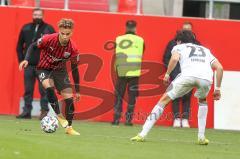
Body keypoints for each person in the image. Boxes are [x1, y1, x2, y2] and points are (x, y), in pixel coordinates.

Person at [131, 30, 223, 145]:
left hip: (186, 77)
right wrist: (217, 89)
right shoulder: (205, 50)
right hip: (205, 79)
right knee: (202, 101)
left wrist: (167, 74)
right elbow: (219, 68)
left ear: (179, 41)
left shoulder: (178, 47)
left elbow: (174, 59)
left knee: (163, 100)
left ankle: (142, 134)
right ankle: (201, 137)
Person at [19, 18, 81, 135]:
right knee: (48, 86)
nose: (64, 36)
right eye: (62, 33)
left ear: (71, 33)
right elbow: (33, 46)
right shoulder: (49, 38)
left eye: (67, 34)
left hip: (60, 71)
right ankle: (59, 117)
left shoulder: (73, 48)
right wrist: (26, 59)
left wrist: (77, 90)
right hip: (44, 68)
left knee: (69, 99)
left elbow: (75, 70)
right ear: (59, 31)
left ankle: (69, 128)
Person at [16, 8, 55, 120]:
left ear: (43, 16)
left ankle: (44, 112)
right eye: (35, 14)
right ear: (32, 15)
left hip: (43, 67)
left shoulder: (49, 29)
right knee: (28, 90)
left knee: (44, 90)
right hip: (29, 66)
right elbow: (19, 46)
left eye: (39, 15)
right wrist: (21, 61)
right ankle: (26, 111)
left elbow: (55, 47)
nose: (36, 16)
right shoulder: (26, 28)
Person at [163, 22, 200, 128]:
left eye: (188, 29)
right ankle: (176, 119)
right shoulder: (173, 43)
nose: (186, 31)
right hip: (176, 74)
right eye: (185, 29)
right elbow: (166, 58)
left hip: (190, 74)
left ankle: (185, 119)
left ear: (192, 31)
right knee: (174, 96)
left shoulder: (197, 44)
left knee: (187, 96)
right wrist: (171, 72)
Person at [112, 20, 144, 126]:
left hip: (122, 71)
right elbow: (142, 52)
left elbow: (115, 53)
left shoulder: (119, 39)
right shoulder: (140, 40)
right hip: (134, 72)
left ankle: (116, 119)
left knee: (119, 96)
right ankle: (128, 120)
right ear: (135, 28)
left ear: (126, 27)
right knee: (132, 96)